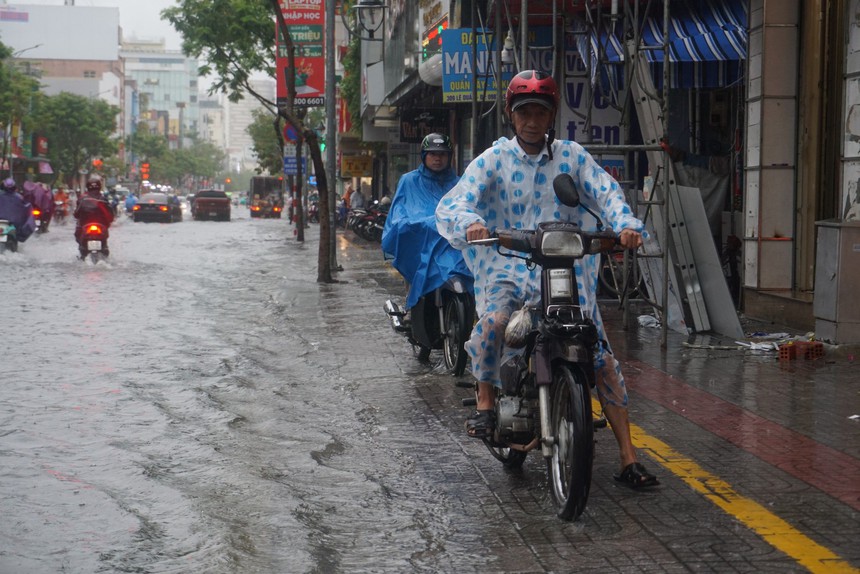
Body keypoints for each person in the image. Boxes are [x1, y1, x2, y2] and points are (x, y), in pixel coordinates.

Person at [435, 70, 658, 488]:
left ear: (552, 114)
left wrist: (625, 226)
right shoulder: (493, 159)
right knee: (491, 326)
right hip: (506, 266)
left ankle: (629, 459)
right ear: (510, 115)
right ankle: (485, 403)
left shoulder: (572, 157)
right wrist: (471, 224)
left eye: (540, 112)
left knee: (602, 359)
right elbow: (457, 201)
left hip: (565, 272)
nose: (532, 121)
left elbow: (606, 192)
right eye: (525, 113)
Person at [382, 133, 471, 311]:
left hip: (450, 246)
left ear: (449, 157)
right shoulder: (409, 181)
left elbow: (468, 209)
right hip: (420, 241)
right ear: (424, 156)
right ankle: (410, 307)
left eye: (442, 154)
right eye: (432, 154)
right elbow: (399, 211)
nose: (437, 159)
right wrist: (412, 224)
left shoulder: (460, 183)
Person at [74, 176, 115, 258]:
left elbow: (77, 213)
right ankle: (104, 248)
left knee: (78, 234)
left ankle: (82, 249)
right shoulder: (103, 199)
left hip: (86, 226)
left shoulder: (82, 198)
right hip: (101, 226)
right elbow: (111, 214)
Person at [0, 178, 36, 243]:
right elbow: (25, 208)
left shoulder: (18, 197)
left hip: (7, 224)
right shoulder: (19, 197)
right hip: (13, 224)